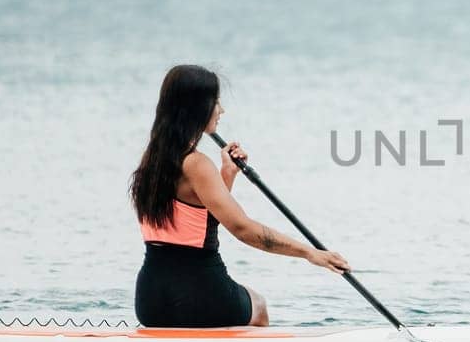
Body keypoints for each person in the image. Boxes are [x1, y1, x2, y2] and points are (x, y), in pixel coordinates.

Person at [130, 65, 349, 327]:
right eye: (216, 101)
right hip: (199, 295)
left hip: (150, 301)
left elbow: (195, 220)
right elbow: (242, 228)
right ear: (197, 107)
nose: (221, 110)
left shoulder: (152, 161)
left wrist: (227, 174)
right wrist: (309, 253)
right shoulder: (196, 164)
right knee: (258, 305)